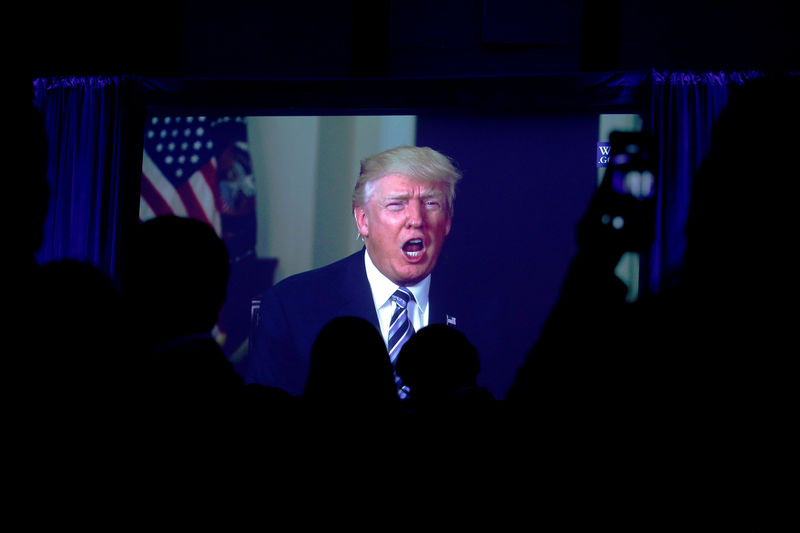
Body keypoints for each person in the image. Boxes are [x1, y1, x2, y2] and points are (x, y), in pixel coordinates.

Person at [237, 145, 465, 398]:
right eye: (396, 205)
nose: (416, 219)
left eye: (431, 203)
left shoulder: (489, 311)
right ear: (363, 220)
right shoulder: (288, 306)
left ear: (447, 221)